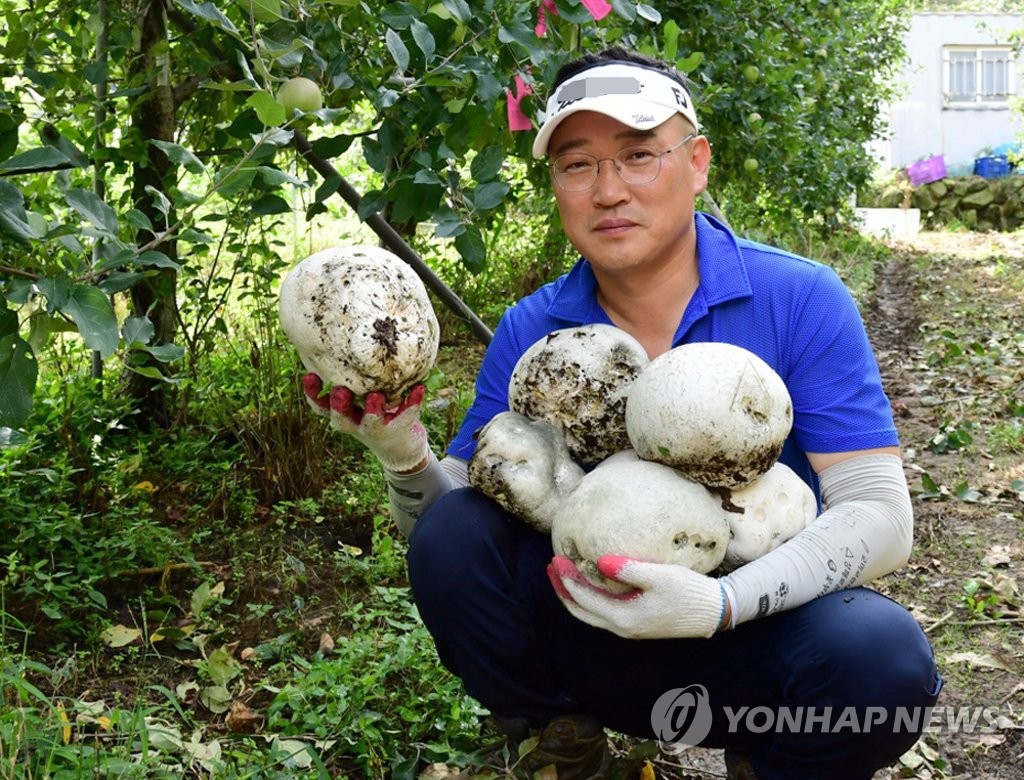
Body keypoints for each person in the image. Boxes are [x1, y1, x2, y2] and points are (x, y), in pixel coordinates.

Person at [303, 47, 942, 780]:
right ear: (555, 184)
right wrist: (402, 453)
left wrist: (721, 603)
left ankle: (765, 760)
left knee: (881, 664)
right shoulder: (535, 331)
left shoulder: (798, 297)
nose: (609, 190)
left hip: (754, 627)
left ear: (696, 162)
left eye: (640, 154)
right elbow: (454, 543)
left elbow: (880, 513)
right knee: (452, 533)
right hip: (589, 629)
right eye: (578, 164)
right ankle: (559, 729)